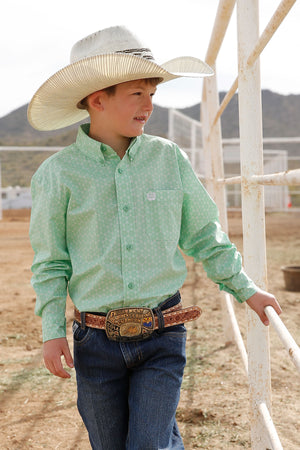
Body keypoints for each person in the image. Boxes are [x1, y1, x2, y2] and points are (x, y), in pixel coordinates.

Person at [28, 26, 282, 449]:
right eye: (138, 93)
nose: (150, 104)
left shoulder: (168, 158)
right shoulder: (58, 176)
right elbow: (52, 261)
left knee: (147, 444)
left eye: (153, 93)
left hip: (163, 333)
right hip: (96, 343)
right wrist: (51, 330)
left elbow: (203, 233)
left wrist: (245, 288)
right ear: (97, 100)